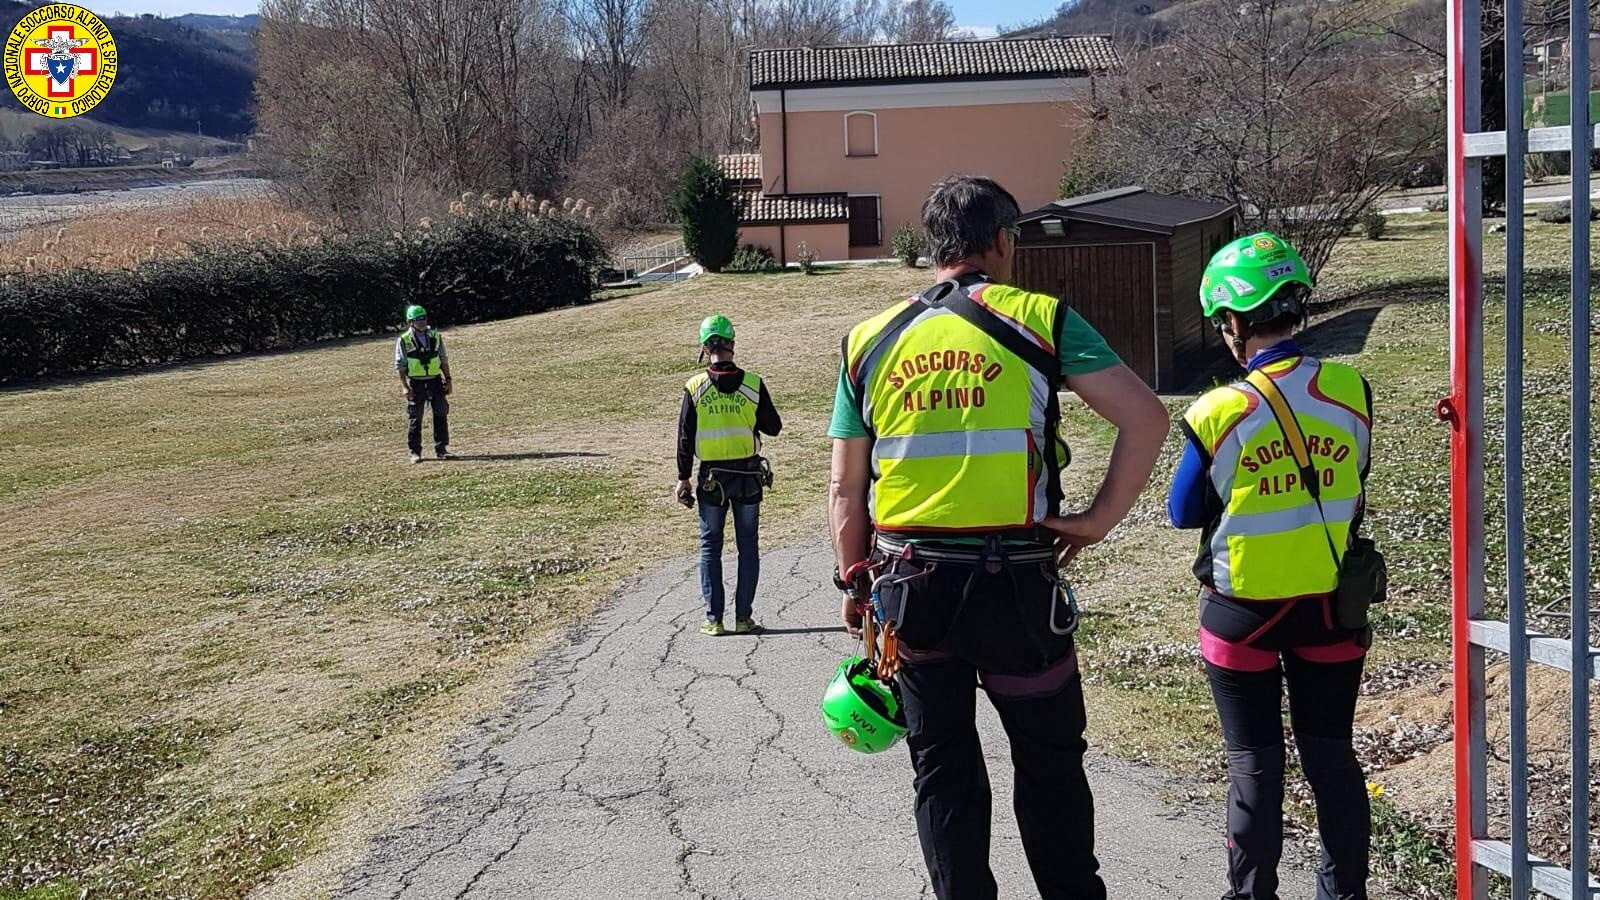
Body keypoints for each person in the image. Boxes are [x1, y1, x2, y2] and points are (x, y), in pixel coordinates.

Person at [827, 175, 1170, 900]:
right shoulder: (1043, 320)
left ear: (931, 246)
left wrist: (854, 583)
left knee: (943, 767)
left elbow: (844, 489)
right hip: (1015, 585)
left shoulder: (867, 341)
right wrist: (1097, 521)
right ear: (1004, 241)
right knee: (1049, 761)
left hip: (911, 589)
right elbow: (1146, 418)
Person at [1168, 232, 1374, 900]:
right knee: (1331, 757)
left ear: (1234, 321)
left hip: (1242, 614)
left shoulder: (1218, 411)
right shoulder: (1351, 389)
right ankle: (1344, 893)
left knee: (1254, 764)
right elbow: (1357, 475)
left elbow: (1182, 511)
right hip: (1331, 609)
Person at [676, 314, 782, 636]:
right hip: (748, 476)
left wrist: (683, 478)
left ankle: (714, 620)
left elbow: (685, 437)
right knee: (747, 545)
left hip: (712, 479)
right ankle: (743, 618)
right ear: (732, 343)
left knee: (711, 546)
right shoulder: (753, 384)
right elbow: (774, 427)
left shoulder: (695, 387)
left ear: (704, 348)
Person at [395, 304, 454, 464]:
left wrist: (448, 379)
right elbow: (400, 365)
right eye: (417, 319)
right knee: (415, 418)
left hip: (435, 381)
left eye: (423, 318)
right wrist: (404, 386)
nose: (421, 321)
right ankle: (415, 452)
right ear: (410, 322)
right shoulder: (404, 340)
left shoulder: (435, 336)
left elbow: (443, 359)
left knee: (441, 414)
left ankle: (441, 449)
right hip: (416, 384)